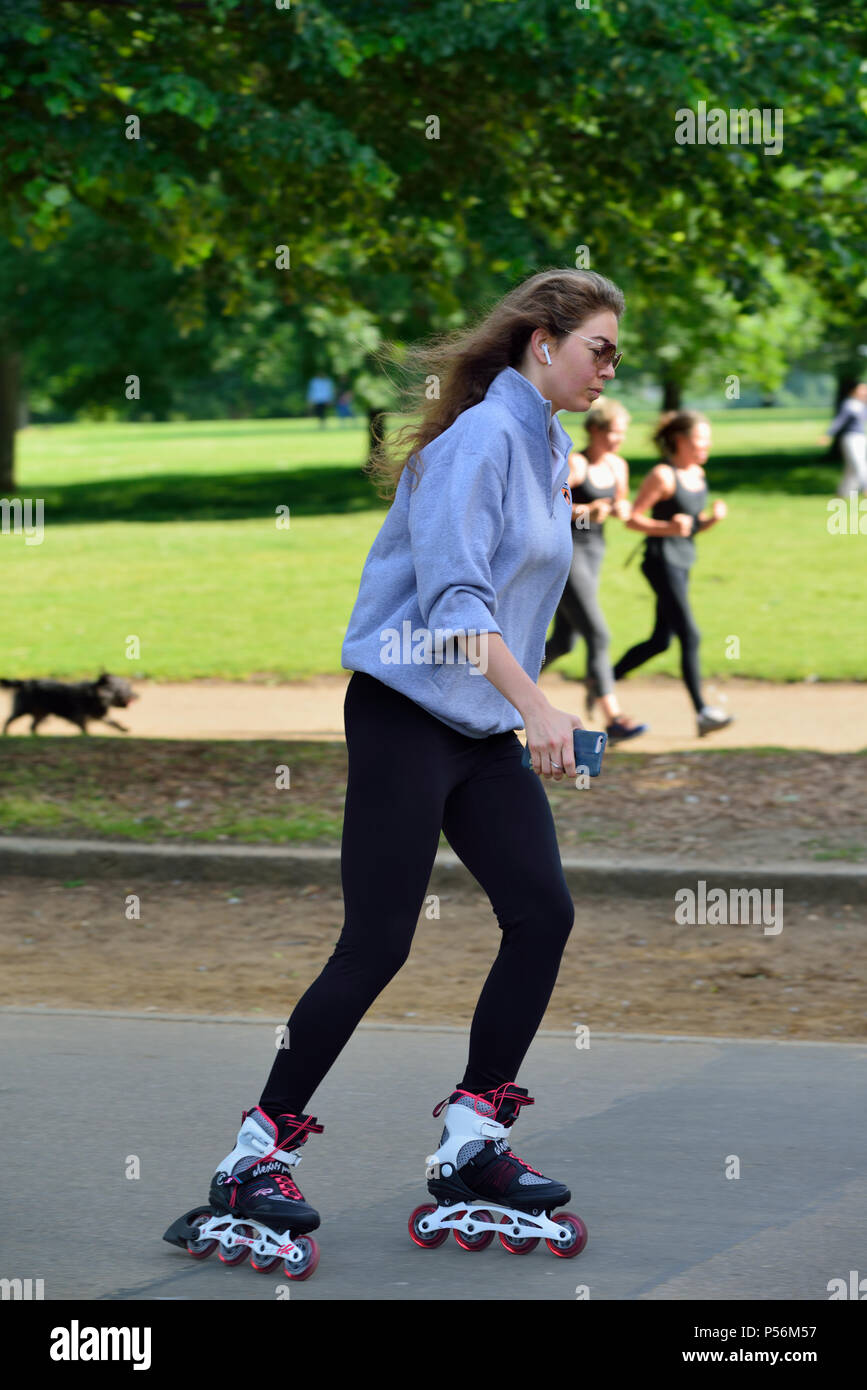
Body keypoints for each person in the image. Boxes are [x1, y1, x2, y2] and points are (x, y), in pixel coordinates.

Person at [186, 269, 625, 1267]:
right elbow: (457, 601)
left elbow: (517, 601)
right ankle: (254, 1154)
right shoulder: (479, 441)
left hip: (477, 728)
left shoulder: (545, 445)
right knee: (378, 941)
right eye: (598, 346)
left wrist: (531, 710)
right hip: (403, 717)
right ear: (541, 342)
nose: (609, 367)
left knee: (541, 911)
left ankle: (475, 1136)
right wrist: (538, 705)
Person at [611, 411, 733, 738]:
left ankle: (604, 679)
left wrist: (711, 521)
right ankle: (703, 712)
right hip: (660, 561)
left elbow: (688, 528)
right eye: (699, 441)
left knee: (660, 641)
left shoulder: (698, 473)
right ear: (680, 441)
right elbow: (633, 519)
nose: (705, 447)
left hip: (682, 560)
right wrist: (667, 527)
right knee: (690, 634)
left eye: (707, 441)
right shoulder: (663, 475)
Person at [544, 397, 648, 743]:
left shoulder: (618, 466)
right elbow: (551, 503)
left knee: (565, 641)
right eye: (613, 433)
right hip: (568, 555)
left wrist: (620, 508)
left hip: (595, 552)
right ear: (594, 430)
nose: (618, 440)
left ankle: (499, 686)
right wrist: (588, 509)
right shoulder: (577, 464)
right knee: (599, 634)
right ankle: (614, 719)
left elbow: (624, 505)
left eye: (622, 434)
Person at [820, 383, 867, 498]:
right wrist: (828, 434)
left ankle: (844, 492)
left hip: (861, 437)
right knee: (859, 463)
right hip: (851, 437)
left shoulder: (862, 405)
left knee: (851, 467)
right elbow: (839, 421)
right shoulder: (850, 404)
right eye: (862, 389)